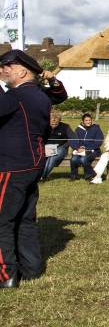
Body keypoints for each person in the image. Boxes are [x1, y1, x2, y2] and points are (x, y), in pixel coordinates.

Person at [0, 49, 55, 287]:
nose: (2, 71)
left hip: (11, 166)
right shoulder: (41, 96)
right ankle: (32, 269)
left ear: (22, 71)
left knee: (3, 221)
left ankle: (6, 275)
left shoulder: (16, 96)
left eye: (6, 67)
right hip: (32, 164)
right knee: (25, 219)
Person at [69, 113, 103, 181]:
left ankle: (90, 175)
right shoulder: (78, 129)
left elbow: (99, 141)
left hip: (93, 150)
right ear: (83, 121)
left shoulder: (96, 128)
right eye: (86, 120)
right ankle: (74, 175)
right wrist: (77, 148)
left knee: (83, 159)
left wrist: (86, 149)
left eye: (89, 120)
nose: (88, 122)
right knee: (73, 159)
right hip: (80, 150)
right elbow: (73, 140)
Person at [40, 110, 72, 181]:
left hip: (61, 148)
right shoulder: (44, 127)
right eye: (52, 124)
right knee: (47, 158)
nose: (53, 126)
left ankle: (41, 176)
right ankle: (42, 176)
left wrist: (65, 145)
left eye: (56, 124)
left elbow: (72, 138)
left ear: (59, 121)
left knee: (53, 157)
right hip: (47, 148)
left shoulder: (66, 127)